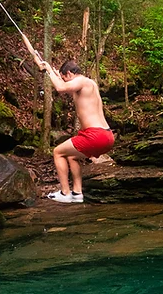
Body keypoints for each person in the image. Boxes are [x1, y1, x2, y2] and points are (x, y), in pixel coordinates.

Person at [40, 58, 115, 203]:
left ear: (69, 73)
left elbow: (61, 88)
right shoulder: (90, 84)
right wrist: (56, 76)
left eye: (64, 78)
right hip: (106, 135)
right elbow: (66, 88)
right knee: (72, 156)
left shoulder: (82, 81)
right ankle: (77, 193)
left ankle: (65, 193)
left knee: (57, 152)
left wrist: (49, 70)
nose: (65, 82)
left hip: (95, 135)